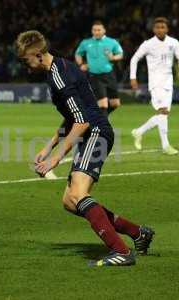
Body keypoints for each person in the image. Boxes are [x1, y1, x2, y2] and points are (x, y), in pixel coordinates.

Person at [16, 30, 154, 267]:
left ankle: (120, 251)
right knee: (70, 201)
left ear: (38, 55)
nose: (25, 66)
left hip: (95, 133)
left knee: (78, 194)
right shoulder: (59, 68)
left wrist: (56, 159)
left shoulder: (59, 76)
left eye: (25, 61)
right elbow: (73, 116)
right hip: (91, 132)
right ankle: (138, 232)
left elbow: (81, 121)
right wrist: (49, 146)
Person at [130, 17, 179, 155]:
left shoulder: (174, 42)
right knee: (163, 112)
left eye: (163, 27)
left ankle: (138, 132)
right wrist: (133, 78)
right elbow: (135, 59)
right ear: (153, 29)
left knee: (163, 115)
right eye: (157, 27)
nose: (160, 30)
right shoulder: (148, 44)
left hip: (168, 83)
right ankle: (166, 146)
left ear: (167, 29)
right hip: (155, 83)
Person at [75, 21, 123, 117]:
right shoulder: (86, 43)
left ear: (104, 30)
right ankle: (102, 128)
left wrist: (113, 58)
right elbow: (78, 54)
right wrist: (81, 64)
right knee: (103, 104)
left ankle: (96, 117)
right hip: (94, 75)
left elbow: (120, 54)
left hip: (109, 75)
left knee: (115, 103)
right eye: (94, 30)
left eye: (98, 30)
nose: (96, 32)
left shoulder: (112, 42)